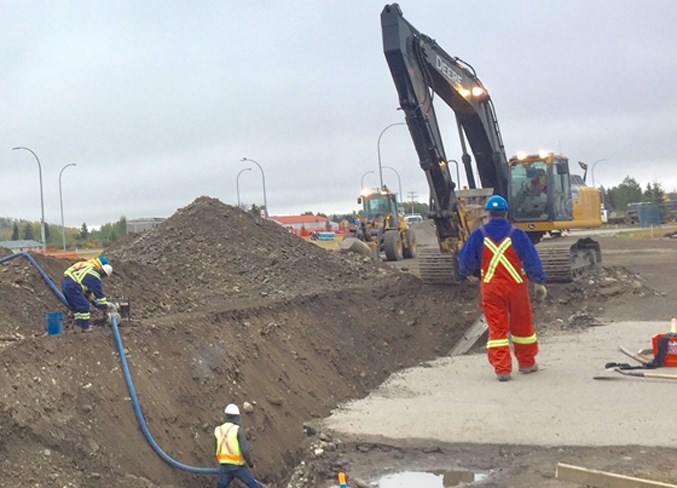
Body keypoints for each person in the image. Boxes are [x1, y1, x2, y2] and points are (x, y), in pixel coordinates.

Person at [458, 195, 547, 382]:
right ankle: (527, 363)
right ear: (506, 213)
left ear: (488, 214)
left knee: (497, 329)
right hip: (517, 288)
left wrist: (469, 273)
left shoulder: (478, 234)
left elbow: (465, 262)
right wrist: (538, 282)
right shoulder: (518, 234)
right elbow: (532, 260)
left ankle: (502, 369)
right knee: (522, 326)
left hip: (491, 288)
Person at [214, 403, 262, 488]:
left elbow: (216, 448)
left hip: (224, 467)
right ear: (237, 416)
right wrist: (251, 464)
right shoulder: (237, 430)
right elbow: (245, 450)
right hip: (238, 467)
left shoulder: (218, 430)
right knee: (253, 485)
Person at [61, 256, 115, 332]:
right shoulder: (95, 276)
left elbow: (84, 282)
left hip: (67, 283)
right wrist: (104, 307)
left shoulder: (88, 268)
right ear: (104, 274)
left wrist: (90, 298)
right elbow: (100, 295)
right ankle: (85, 327)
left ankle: (78, 326)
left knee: (77, 307)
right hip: (73, 286)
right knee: (84, 305)